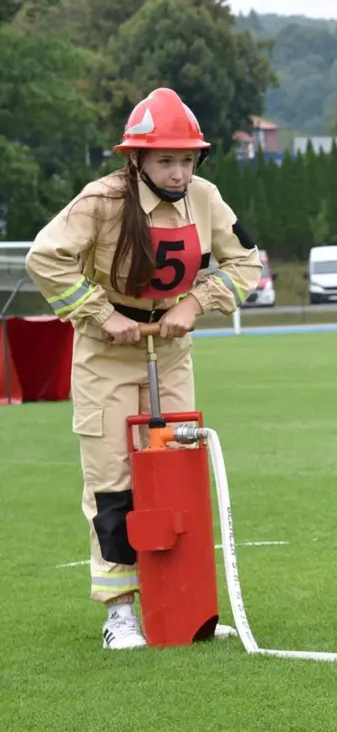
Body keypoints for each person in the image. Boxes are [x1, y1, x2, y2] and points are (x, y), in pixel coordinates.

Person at [24, 87, 262, 649]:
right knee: (113, 486)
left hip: (171, 354)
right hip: (105, 356)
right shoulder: (102, 200)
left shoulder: (205, 197)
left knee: (176, 480)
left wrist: (195, 303)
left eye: (188, 160)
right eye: (165, 160)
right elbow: (45, 258)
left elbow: (246, 261)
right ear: (136, 159)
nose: (179, 173)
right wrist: (102, 314)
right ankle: (120, 614)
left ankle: (182, 607)